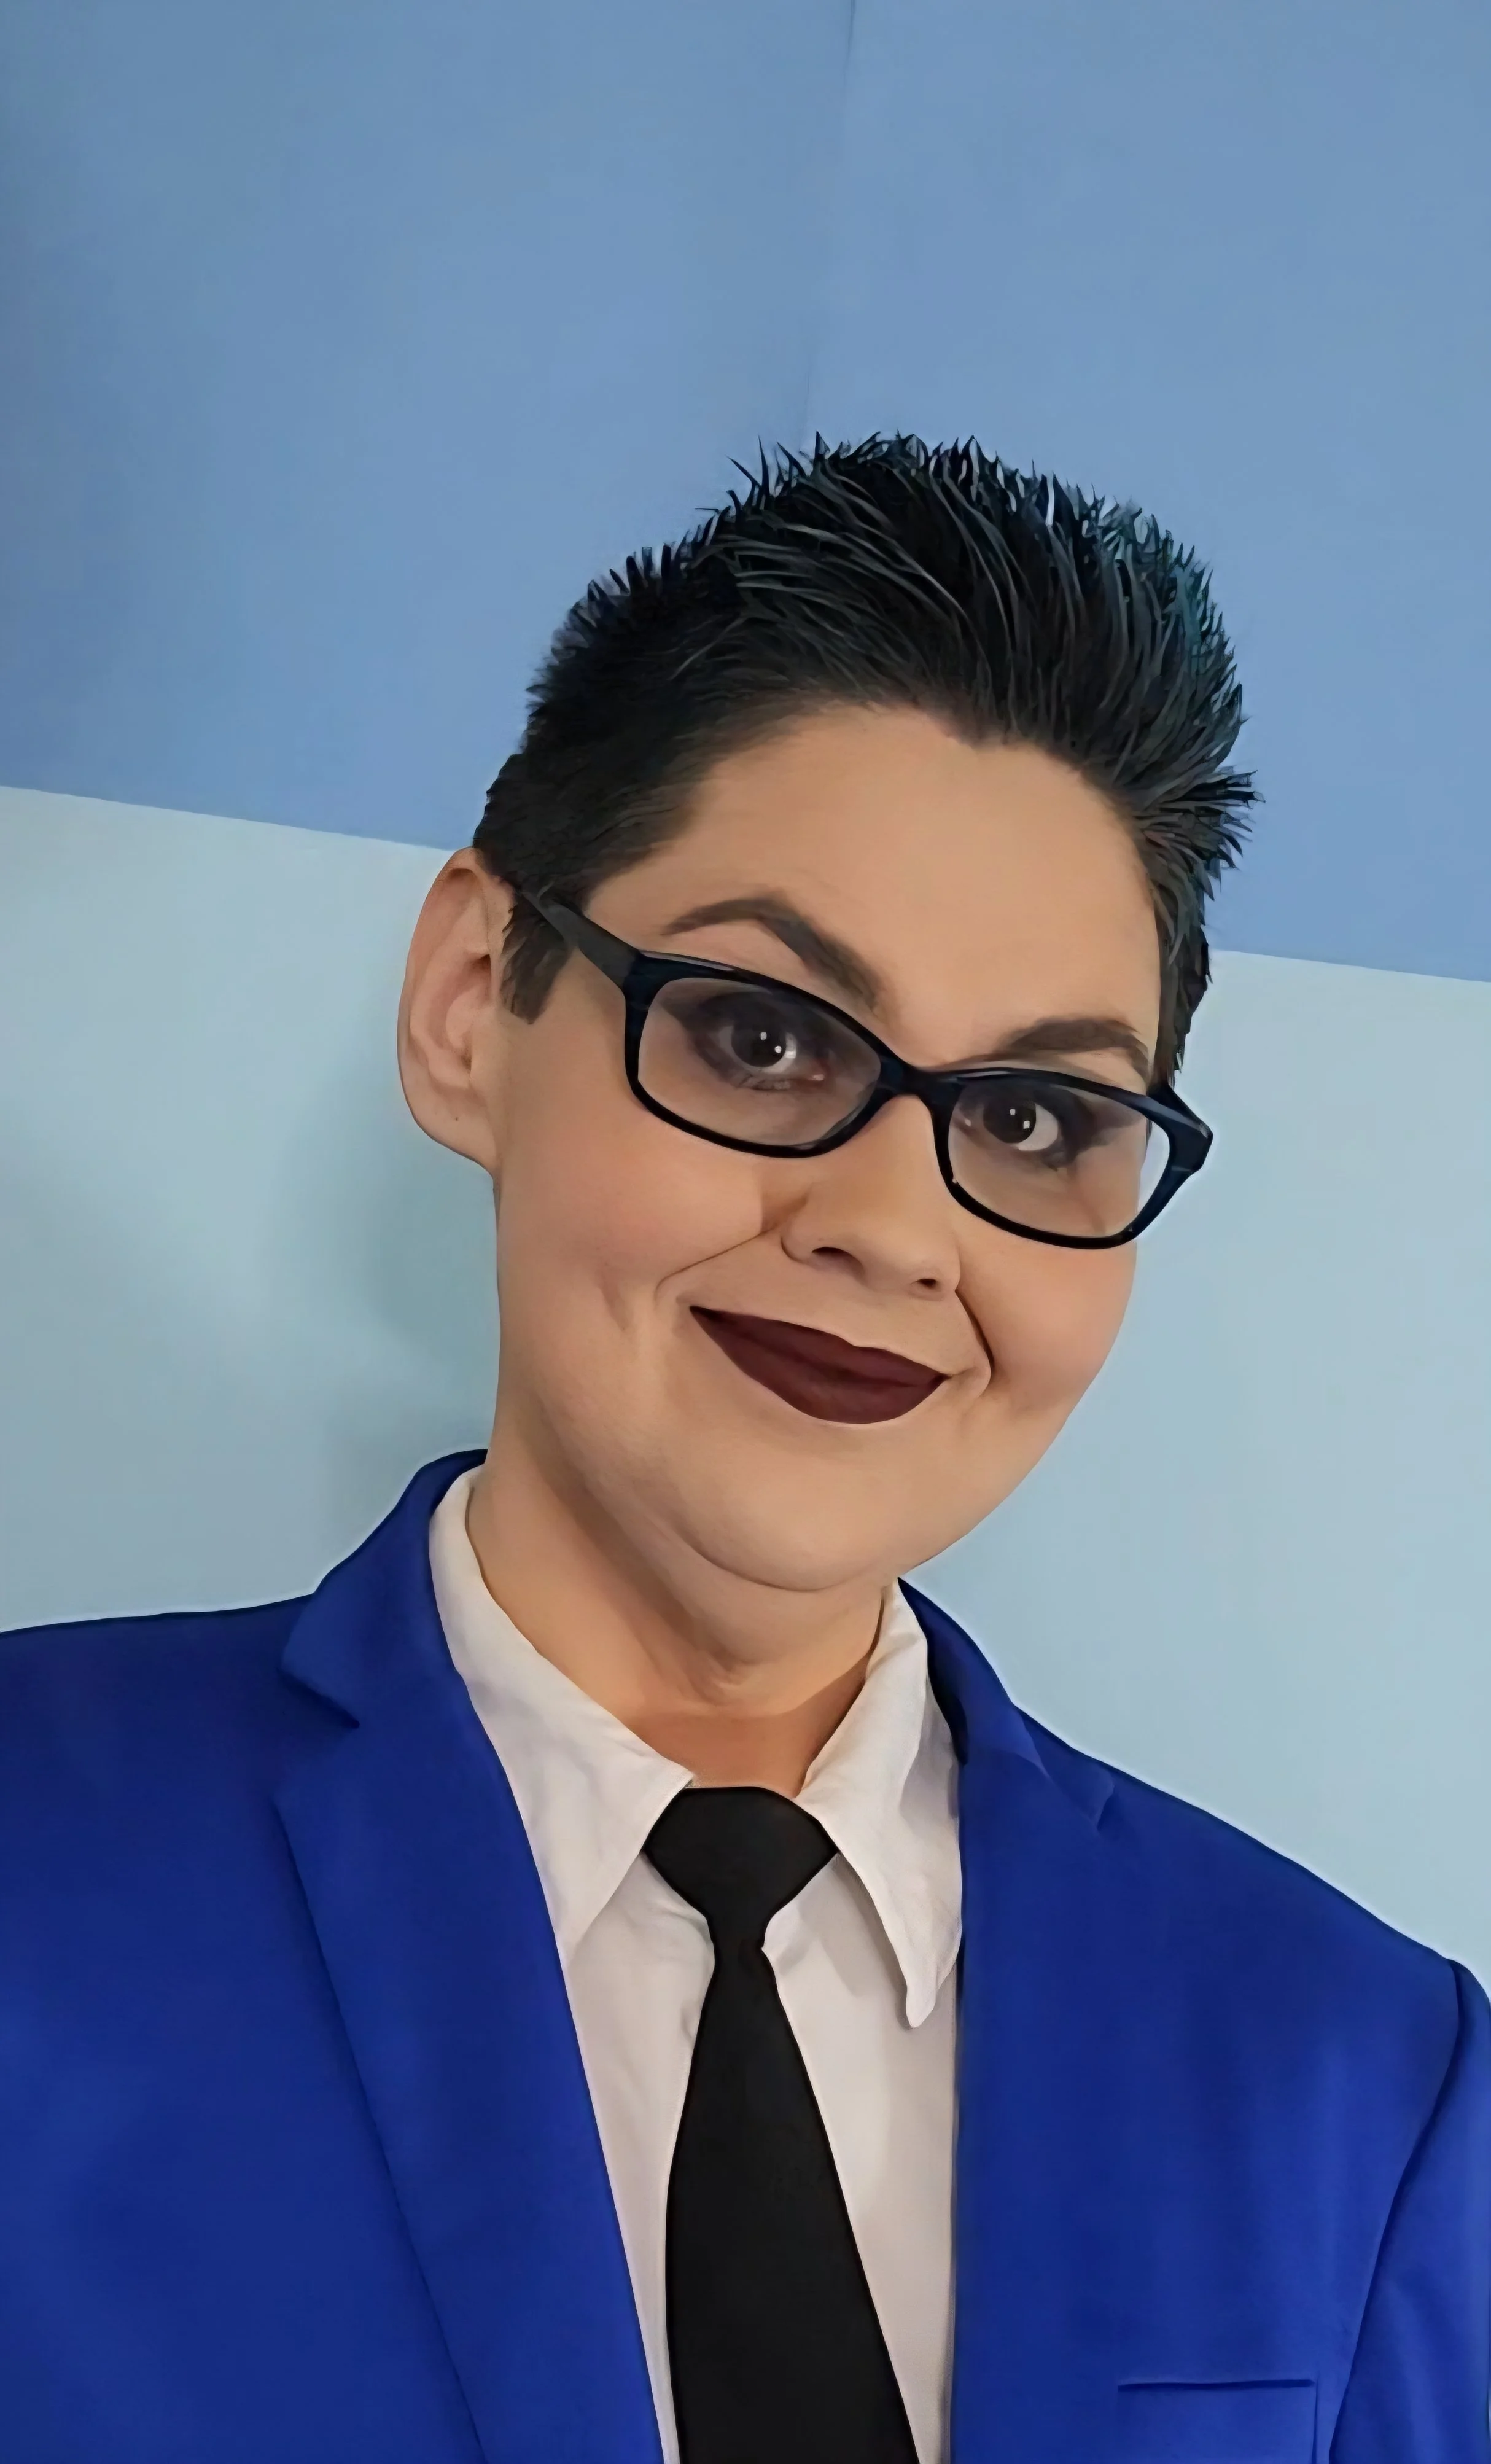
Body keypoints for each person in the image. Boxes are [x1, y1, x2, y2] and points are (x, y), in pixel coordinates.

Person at [1, 437, 1485, 2464]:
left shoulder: (1359, 2072)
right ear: (469, 1002)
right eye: (764, 1034)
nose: (893, 1223)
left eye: (1039, 1121)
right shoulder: (44, 1859)